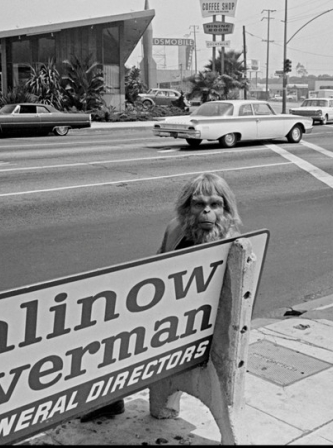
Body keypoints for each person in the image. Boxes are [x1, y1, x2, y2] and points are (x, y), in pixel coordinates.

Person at [79, 172, 241, 422]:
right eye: (199, 204)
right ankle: (110, 398)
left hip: (200, 331)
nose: (207, 212)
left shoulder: (233, 246)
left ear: (226, 208)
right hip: (166, 319)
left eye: (214, 205)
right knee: (108, 333)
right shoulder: (175, 229)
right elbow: (154, 273)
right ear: (187, 207)